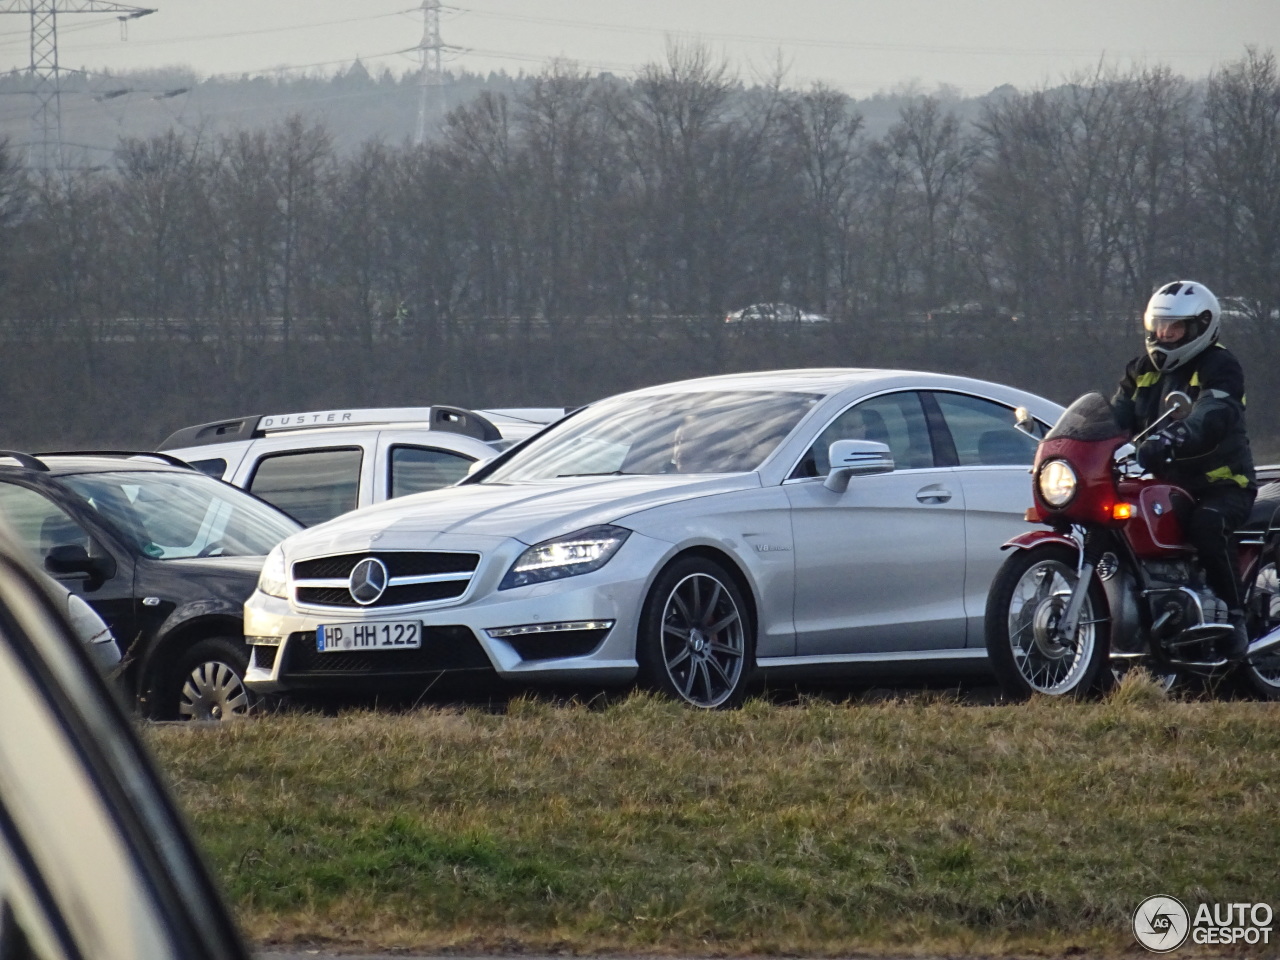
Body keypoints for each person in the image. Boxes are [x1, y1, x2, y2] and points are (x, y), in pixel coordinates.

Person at [1113, 280, 1257, 658]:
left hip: (1222, 483)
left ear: (1200, 327)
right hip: (1163, 483)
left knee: (1207, 524)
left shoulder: (1220, 365)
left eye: (1174, 328)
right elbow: (1115, 415)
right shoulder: (1142, 369)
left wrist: (1176, 435)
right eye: (1159, 326)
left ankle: (1235, 619)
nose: (1164, 335)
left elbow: (1215, 412)